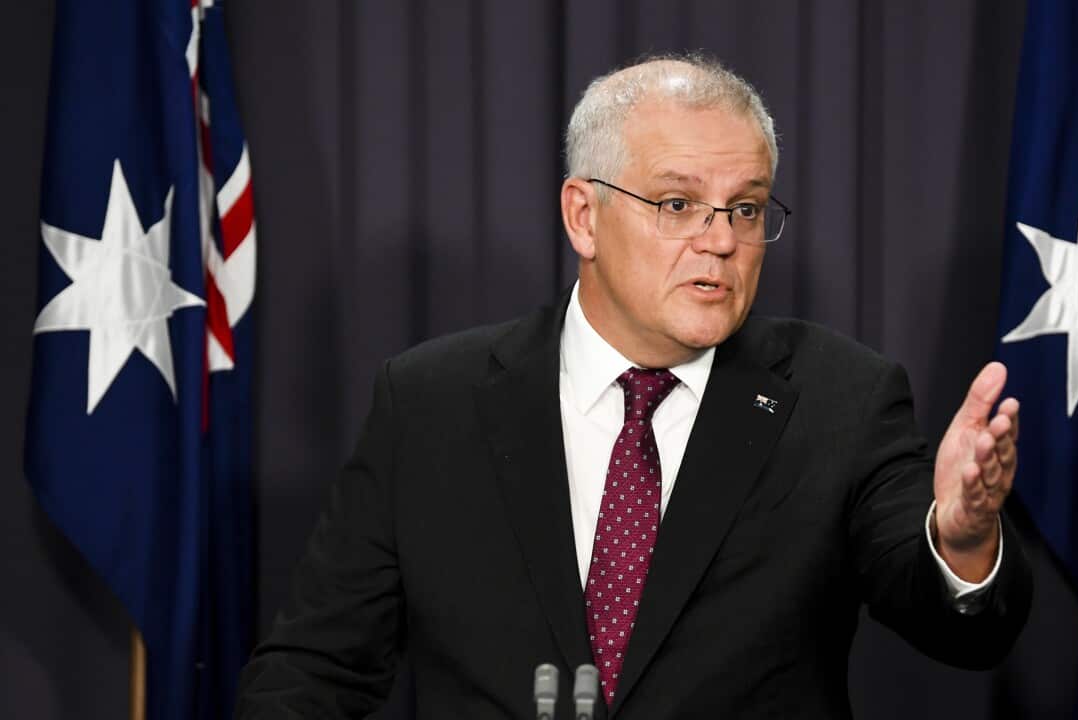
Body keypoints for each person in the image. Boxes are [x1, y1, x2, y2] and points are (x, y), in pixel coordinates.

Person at [235, 54, 1031, 719]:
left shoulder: (841, 398)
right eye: (679, 204)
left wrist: (961, 540)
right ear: (583, 216)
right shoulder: (430, 403)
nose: (720, 241)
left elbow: (961, 632)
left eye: (746, 209)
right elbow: (313, 672)